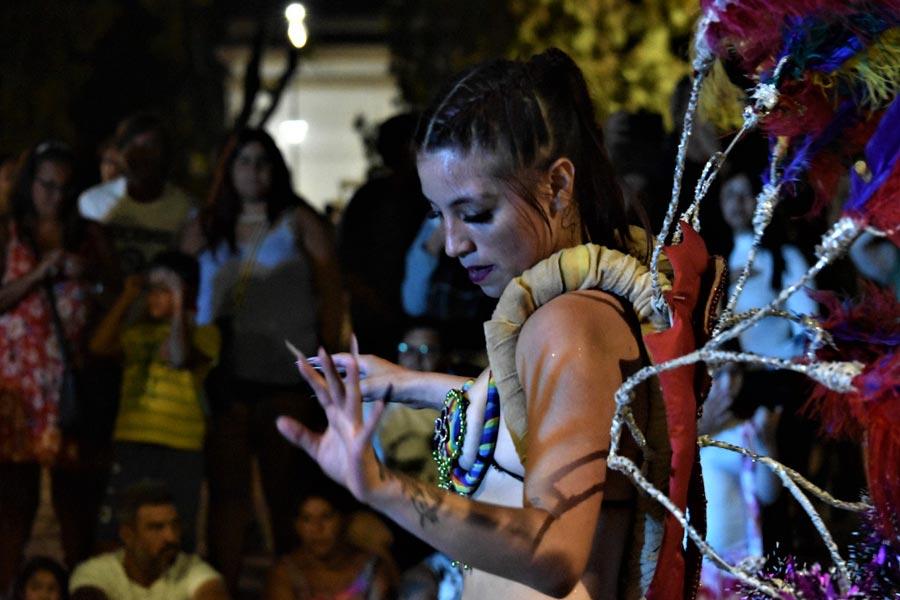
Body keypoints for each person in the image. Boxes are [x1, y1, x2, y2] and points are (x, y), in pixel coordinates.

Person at [277, 48, 675, 599]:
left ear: (558, 187)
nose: (452, 243)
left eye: (474, 214)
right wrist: (409, 384)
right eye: (437, 215)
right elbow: (545, 409)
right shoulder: (572, 305)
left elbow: (554, 553)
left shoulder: (568, 322)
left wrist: (381, 487)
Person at [191, 128, 344, 592]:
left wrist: (327, 359)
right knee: (227, 499)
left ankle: (287, 590)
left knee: (286, 497)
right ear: (228, 169)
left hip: (285, 380)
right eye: (244, 161)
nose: (254, 171)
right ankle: (222, 590)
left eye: (263, 161)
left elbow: (330, 291)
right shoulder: (206, 224)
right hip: (224, 379)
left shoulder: (298, 221)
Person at [0, 141, 117, 591]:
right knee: (13, 506)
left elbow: (119, 293)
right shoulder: (9, 232)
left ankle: (81, 589)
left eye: (64, 188)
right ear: (29, 184)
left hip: (71, 389)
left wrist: (89, 274)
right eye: (46, 185)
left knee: (76, 508)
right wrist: (38, 274)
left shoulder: (88, 235)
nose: (54, 196)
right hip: (18, 392)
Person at [88, 251, 220, 552]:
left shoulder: (205, 334)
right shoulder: (137, 332)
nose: (153, 298)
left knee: (175, 532)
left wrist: (178, 305)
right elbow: (98, 346)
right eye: (151, 290)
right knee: (118, 526)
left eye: (164, 290)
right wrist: (127, 297)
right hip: (133, 440)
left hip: (181, 447)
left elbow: (178, 357)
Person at [69, 480, 229, 600]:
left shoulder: (190, 568)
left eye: (175, 525)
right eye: (156, 528)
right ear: (128, 535)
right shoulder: (97, 572)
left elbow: (212, 591)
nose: (171, 537)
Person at [78, 112, 195, 275]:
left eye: (150, 145)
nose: (141, 154)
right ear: (120, 153)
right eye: (132, 145)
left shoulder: (186, 208)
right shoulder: (92, 202)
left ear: (165, 153)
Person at [264, 493, 395, 600]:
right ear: (297, 526)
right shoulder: (285, 575)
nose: (317, 529)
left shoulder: (370, 570)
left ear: (343, 520)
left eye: (326, 517)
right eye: (306, 519)